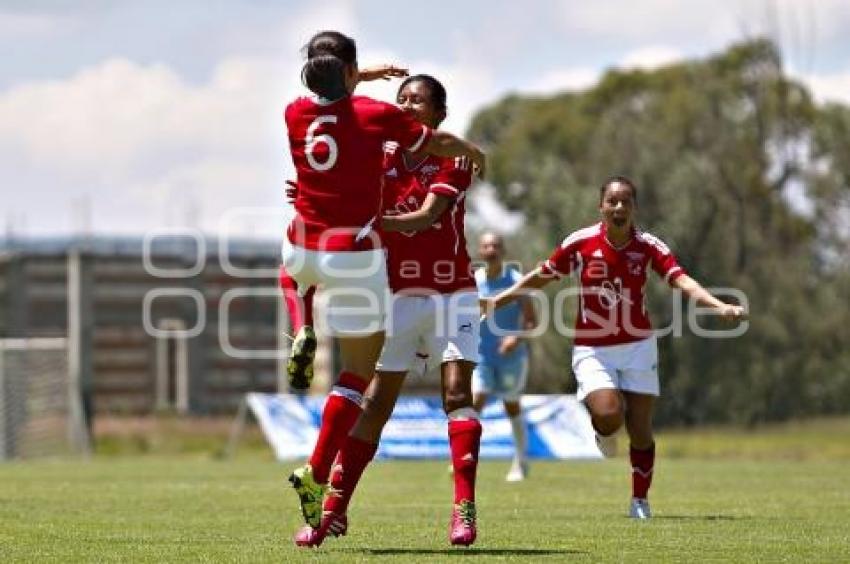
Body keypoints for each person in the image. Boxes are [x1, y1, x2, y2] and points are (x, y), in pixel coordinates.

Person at [283, 30, 486, 534]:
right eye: (403, 98)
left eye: (418, 100)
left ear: (439, 114)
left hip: (449, 291)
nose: (407, 105)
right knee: (374, 404)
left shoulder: (451, 159)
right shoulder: (377, 149)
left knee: (456, 394)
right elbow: (342, 173)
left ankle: (463, 510)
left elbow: (424, 216)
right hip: (394, 291)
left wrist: (368, 220)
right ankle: (332, 511)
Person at [482, 176, 746, 520]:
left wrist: (718, 306)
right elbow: (541, 276)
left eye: (626, 202)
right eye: (612, 201)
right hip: (593, 348)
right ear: (601, 207)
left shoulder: (648, 245)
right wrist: (497, 302)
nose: (619, 207)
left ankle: (639, 500)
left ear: (634, 208)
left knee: (640, 429)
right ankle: (602, 430)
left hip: (639, 345)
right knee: (608, 415)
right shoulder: (581, 243)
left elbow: (682, 280)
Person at [472, 232, 537, 482]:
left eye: (496, 245)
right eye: (486, 245)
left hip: (512, 357)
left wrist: (515, 338)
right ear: (480, 251)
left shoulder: (516, 281)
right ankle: (464, 460)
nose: (491, 249)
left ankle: (520, 463)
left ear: (503, 250)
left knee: (511, 405)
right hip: (481, 356)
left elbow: (531, 321)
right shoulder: (474, 281)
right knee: (475, 401)